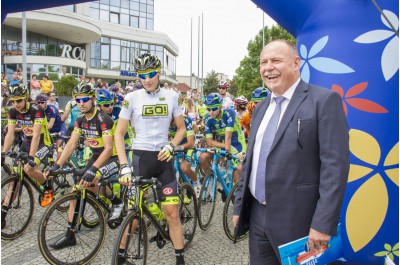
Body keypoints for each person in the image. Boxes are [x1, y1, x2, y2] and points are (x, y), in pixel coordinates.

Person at [232, 40, 349, 265]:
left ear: (296, 63)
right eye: (263, 62)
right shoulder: (260, 109)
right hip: (258, 218)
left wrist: (323, 223)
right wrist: (240, 207)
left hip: (301, 222)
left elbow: (335, 167)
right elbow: (250, 162)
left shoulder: (324, 101)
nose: (268, 67)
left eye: (276, 60)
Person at [115, 52, 187, 265]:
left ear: (159, 73)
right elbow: (119, 134)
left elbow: (181, 129)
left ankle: (180, 259)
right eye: (142, 75)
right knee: (133, 213)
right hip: (139, 160)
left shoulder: (172, 96)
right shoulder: (131, 98)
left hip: (164, 160)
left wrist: (172, 145)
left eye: (151, 74)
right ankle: (119, 258)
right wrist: (123, 166)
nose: (147, 79)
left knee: (172, 214)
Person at [46, 83, 121, 249]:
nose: (81, 103)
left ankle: (117, 202)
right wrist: (57, 165)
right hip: (95, 157)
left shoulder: (103, 119)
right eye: (78, 100)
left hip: (112, 158)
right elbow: (71, 144)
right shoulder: (80, 119)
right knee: (77, 190)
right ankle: (70, 235)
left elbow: (108, 149)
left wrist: (93, 169)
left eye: (85, 99)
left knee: (91, 180)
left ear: (93, 99)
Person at [1, 84, 53, 219]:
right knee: (15, 176)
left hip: (42, 142)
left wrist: (31, 157)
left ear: (26, 98)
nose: (15, 104)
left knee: (29, 168)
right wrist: (3, 154)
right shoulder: (12, 111)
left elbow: (36, 135)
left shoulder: (37, 110)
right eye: (13, 101)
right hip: (26, 142)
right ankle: (4, 211)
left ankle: (48, 187)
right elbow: (10, 135)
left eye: (18, 100)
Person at [199, 93, 246, 184]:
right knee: (203, 156)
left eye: (214, 109)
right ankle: (211, 180)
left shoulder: (229, 113)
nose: (211, 112)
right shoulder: (208, 118)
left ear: (220, 106)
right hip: (224, 144)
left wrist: (228, 153)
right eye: (208, 109)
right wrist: (225, 148)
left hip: (237, 144)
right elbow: (209, 141)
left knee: (237, 178)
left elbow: (228, 137)